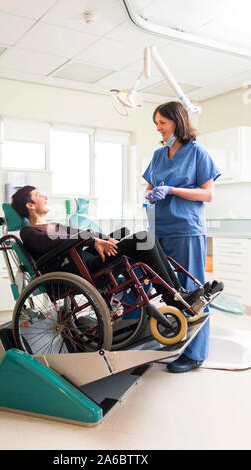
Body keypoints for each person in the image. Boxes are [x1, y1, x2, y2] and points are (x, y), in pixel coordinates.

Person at [11, 185, 206, 313]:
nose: (44, 197)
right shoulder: (28, 232)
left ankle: (178, 291)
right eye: (38, 195)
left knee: (128, 233)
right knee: (144, 239)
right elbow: (54, 242)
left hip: (86, 262)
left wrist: (106, 239)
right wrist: (92, 241)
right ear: (29, 205)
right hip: (79, 271)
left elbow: (80, 233)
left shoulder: (53, 225)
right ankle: (174, 298)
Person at [143, 101, 221, 373]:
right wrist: (151, 194)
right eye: (157, 123)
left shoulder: (197, 153)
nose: (159, 128)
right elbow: (149, 187)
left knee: (192, 291)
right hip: (159, 229)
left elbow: (208, 194)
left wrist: (174, 190)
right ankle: (175, 342)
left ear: (178, 122)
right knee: (169, 291)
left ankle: (195, 354)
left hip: (186, 229)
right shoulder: (158, 155)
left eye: (162, 122)